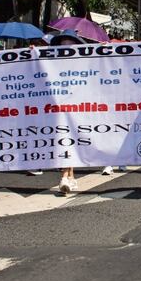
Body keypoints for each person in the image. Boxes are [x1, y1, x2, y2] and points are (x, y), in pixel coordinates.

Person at [49, 30, 87, 193]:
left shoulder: (83, 63)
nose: (66, 47)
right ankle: (67, 176)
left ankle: (68, 175)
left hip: (79, 107)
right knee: (65, 139)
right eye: (63, 44)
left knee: (71, 140)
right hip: (59, 109)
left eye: (70, 44)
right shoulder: (51, 62)